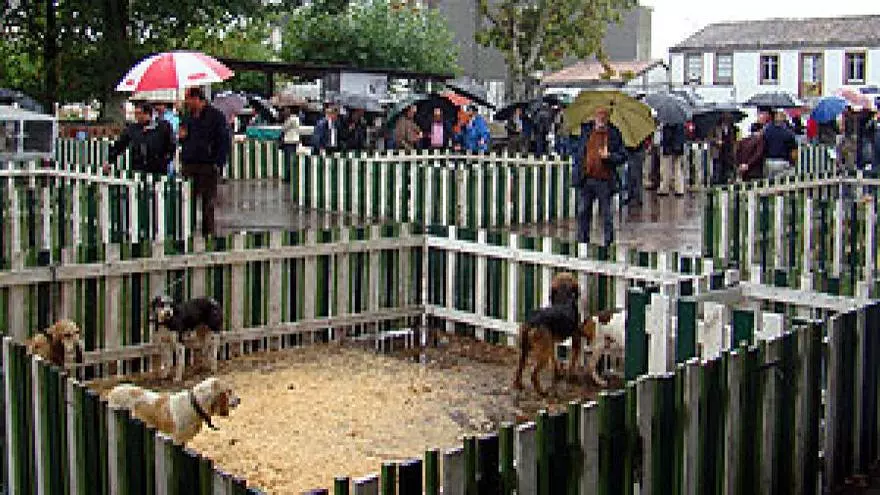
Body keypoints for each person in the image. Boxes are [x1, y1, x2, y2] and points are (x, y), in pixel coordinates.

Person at [572, 107, 627, 247]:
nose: (600, 119)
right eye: (598, 115)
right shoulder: (586, 131)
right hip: (587, 178)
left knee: (606, 213)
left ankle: (608, 241)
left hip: (604, 180)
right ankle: (582, 241)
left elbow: (622, 156)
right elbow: (579, 150)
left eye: (603, 116)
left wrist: (609, 156)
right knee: (583, 211)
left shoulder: (614, 134)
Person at [179, 87, 230, 237]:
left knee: (208, 201)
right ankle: (189, 231)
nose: (186, 102)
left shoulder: (215, 116)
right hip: (190, 163)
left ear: (197, 99)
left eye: (188, 99)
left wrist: (218, 163)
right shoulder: (187, 117)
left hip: (208, 164)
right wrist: (182, 137)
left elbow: (224, 140)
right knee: (188, 200)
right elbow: (183, 137)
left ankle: (208, 233)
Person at [105, 101, 174, 175]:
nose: (136, 116)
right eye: (135, 113)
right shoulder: (132, 128)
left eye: (138, 113)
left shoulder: (163, 127)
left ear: (147, 114)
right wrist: (110, 160)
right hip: (138, 167)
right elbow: (120, 145)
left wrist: (165, 160)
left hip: (158, 168)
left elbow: (170, 145)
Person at [762, 110, 797, 179]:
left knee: (769, 184)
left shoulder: (766, 130)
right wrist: (793, 163)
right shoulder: (788, 132)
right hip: (783, 161)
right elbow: (794, 152)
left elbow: (762, 146)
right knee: (782, 184)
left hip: (769, 161)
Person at [659, 122, 686, 196]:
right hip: (678, 142)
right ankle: (679, 189)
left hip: (668, 142)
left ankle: (665, 188)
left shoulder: (666, 121)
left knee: (666, 164)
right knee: (678, 165)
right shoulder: (680, 118)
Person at [625, 136, 650, 208]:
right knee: (632, 173)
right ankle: (632, 196)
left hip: (637, 148)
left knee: (636, 174)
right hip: (632, 148)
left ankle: (636, 197)